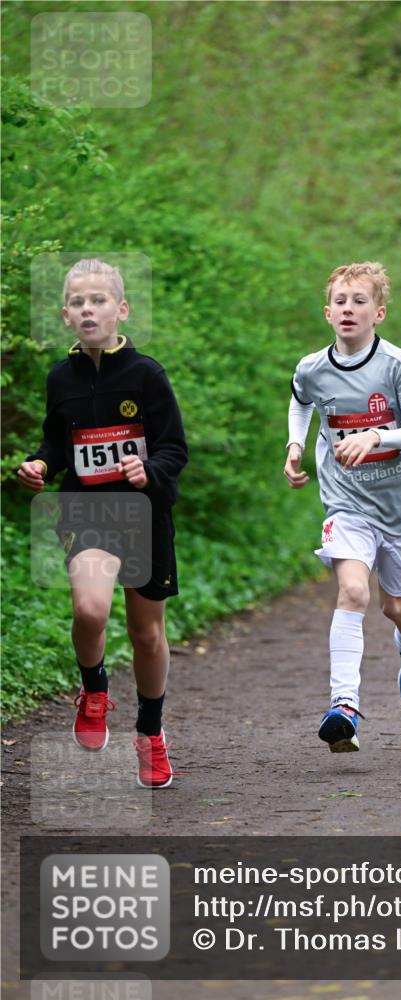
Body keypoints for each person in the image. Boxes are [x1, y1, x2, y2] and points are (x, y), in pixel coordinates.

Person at [17, 259, 188, 787]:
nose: (87, 309)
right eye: (77, 302)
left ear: (121, 309)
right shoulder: (60, 378)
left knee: (146, 633)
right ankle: (94, 693)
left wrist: (147, 470)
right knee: (90, 610)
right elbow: (55, 439)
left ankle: (151, 735)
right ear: (65, 314)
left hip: (144, 514)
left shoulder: (146, 374)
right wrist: (42, 462)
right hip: (87, 510)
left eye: (98, 300)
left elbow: (173, 448)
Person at [284, 262, 401, 752]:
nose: (349, 309)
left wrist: (375, 434)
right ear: (327, 312)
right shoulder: (312, 367)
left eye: (360, 301)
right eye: (341, 301)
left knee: (396, 606)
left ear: (380, 312)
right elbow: (300, 400)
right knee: (352, 591)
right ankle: (343, 706)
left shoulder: (398, 366)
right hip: (346, 502)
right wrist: (294, 445)